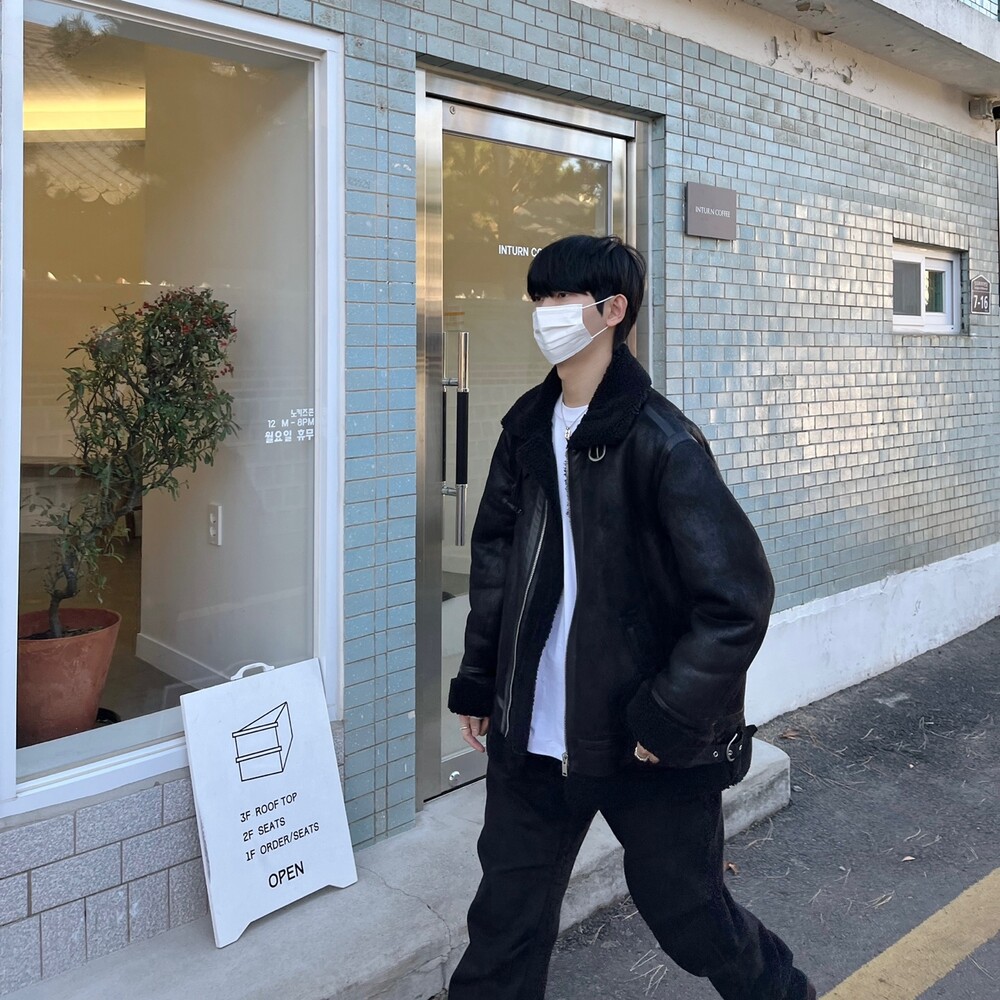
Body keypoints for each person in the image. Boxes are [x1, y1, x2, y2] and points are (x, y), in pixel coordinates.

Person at [446, 234, 816, 1000]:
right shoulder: (525, 430)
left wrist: (670, 716)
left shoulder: (663, 442)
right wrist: (480, 682)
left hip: (640, 745)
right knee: (502, 930)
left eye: (561, 298)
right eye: (539, 298)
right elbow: (496, 567)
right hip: (531, 742)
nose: (545, 313)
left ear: (612, 310)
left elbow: (737, 600)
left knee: (694, 920)